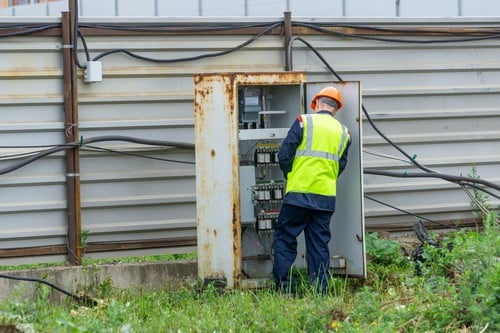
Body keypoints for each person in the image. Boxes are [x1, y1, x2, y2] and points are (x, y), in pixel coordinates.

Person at [272, 86, 351, 294]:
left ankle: (285, 289)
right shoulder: (344, 133)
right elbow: (340, 166)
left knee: (285, 238)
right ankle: (320, 292)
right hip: (325, 198)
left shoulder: (303, 122)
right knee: (318, 245)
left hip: (298, 193)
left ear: (316, 104)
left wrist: (293, 174)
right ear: (337, 109)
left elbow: (284, 155)